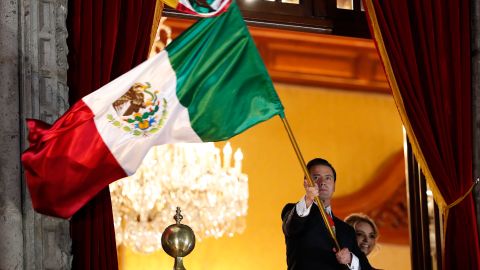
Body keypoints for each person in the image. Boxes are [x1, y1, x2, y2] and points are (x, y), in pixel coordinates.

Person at [281, 158, 372, 270]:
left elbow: (366, 267)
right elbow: (292, 226)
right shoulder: (296, 212)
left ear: (334, 186)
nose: (322, 182)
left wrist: (351, 259)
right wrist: (308, 198)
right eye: (316, 177)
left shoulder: (347, 230)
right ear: (306, 183)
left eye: (328, 178)